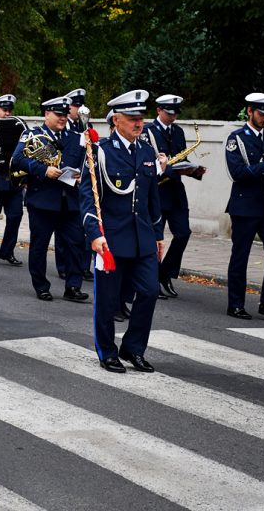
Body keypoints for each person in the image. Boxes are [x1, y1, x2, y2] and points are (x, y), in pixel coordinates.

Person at [79, 89, 165, 373]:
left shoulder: (147, 151)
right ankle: (107, 351)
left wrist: (159, 234)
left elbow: (152, 198)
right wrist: (94, 233)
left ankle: (133, 348)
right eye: (132, 119)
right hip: (111, 238)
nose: (139, 123)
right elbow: (89, 197)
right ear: (116, 120)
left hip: (143, 238)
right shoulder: (100, 152)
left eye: (141, 118)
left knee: (150, 291)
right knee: (108, 299)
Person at [11, 96, 89, 303]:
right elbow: (17, 159)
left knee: (76, 243)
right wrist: (44, 170)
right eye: (58, 114)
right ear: (47, 114)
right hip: (43, 199)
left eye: (65, 114)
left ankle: (73, 286)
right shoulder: (32, 134)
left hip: (70, 200)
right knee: (39, 245)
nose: (63, 118)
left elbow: (85, 161)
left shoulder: (76, 136)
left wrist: (82, 174)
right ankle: (41, 286)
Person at [225, 93, 264, 321]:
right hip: (244, 205)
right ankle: (235, 304)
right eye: (261, 113)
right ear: (250, 111)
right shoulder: (236, 139)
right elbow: (237, 173)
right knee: (240, 257)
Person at [140, 94, 206, 298]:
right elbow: (148, 164)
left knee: (183, 233)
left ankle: (165, 273)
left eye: (176, 113)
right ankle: (152, 280)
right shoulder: (146, 132)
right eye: (169, 112)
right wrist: (173, 170)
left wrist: (194, 171)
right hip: (157, 193)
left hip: (176, 193)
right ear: (159, 111)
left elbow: (182, 161)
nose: (173, 116)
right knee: (154, 239)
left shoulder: (178, 132)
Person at [56, 88, 93, 281]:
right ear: (68, 107)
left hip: (81, 182)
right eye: (76, 106)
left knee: (84, 228)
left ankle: (83, 266)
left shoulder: (85, 126)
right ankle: (63, 265)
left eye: (81, 106)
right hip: (63, 183)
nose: (79, 109)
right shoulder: (63, 127)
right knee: (63, 231)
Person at [0, 94, 23, 266]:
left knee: (16, 215)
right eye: (4, 110)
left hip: (14, 182)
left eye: (10, 110)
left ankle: (8, 251)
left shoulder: (17, 127)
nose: (7, 114)